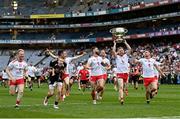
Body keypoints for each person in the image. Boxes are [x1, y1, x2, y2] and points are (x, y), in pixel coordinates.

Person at [112, 39, 132, 105]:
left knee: (124, 87)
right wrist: (115, 44)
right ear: (118, 52)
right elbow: (113, 51)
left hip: (126, 73)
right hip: (120, 74)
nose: (121, 51)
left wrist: (125, 42)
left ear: (124, 51)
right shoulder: (117, 57)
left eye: (122, 50)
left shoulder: (126, 56)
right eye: (120, 51)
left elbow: (130, 49)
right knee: (121, 86)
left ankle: (120, 96)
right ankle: (122, 99)